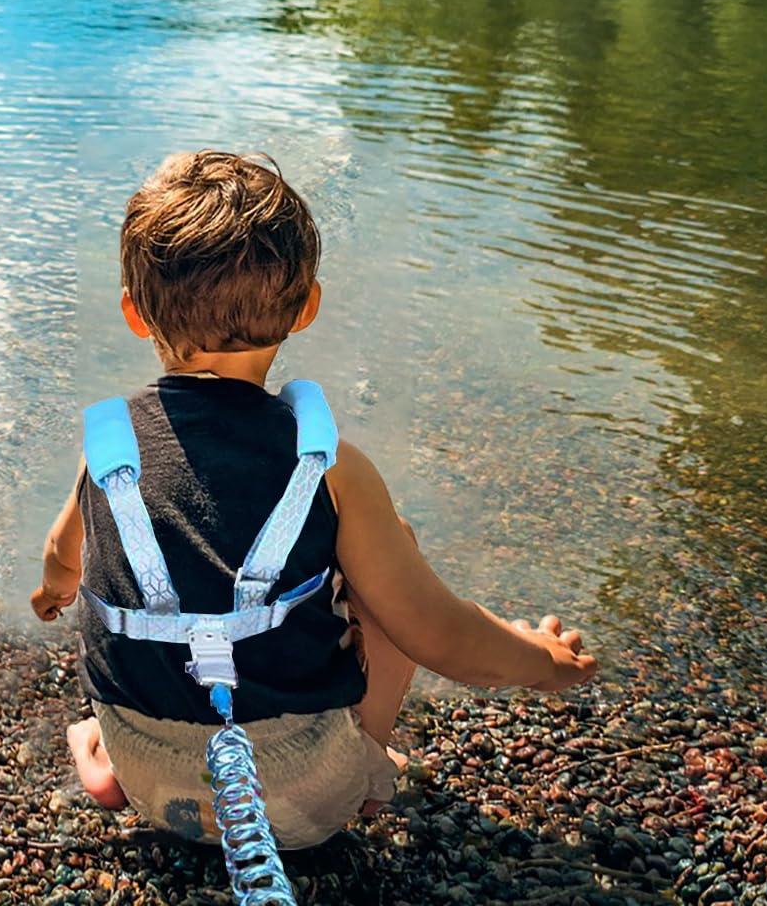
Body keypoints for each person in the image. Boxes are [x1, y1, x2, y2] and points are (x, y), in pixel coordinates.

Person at [31, 150, 596, 848]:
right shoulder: (328, 469)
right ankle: (367, 763)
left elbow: (63, 556)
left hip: (150, 777)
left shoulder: (109, 452)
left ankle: (105, 755)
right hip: (299, 803)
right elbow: (440, 635)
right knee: (393, 552)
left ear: (134, 315)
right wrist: (542, 660)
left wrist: (54, 590)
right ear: (307, 307)